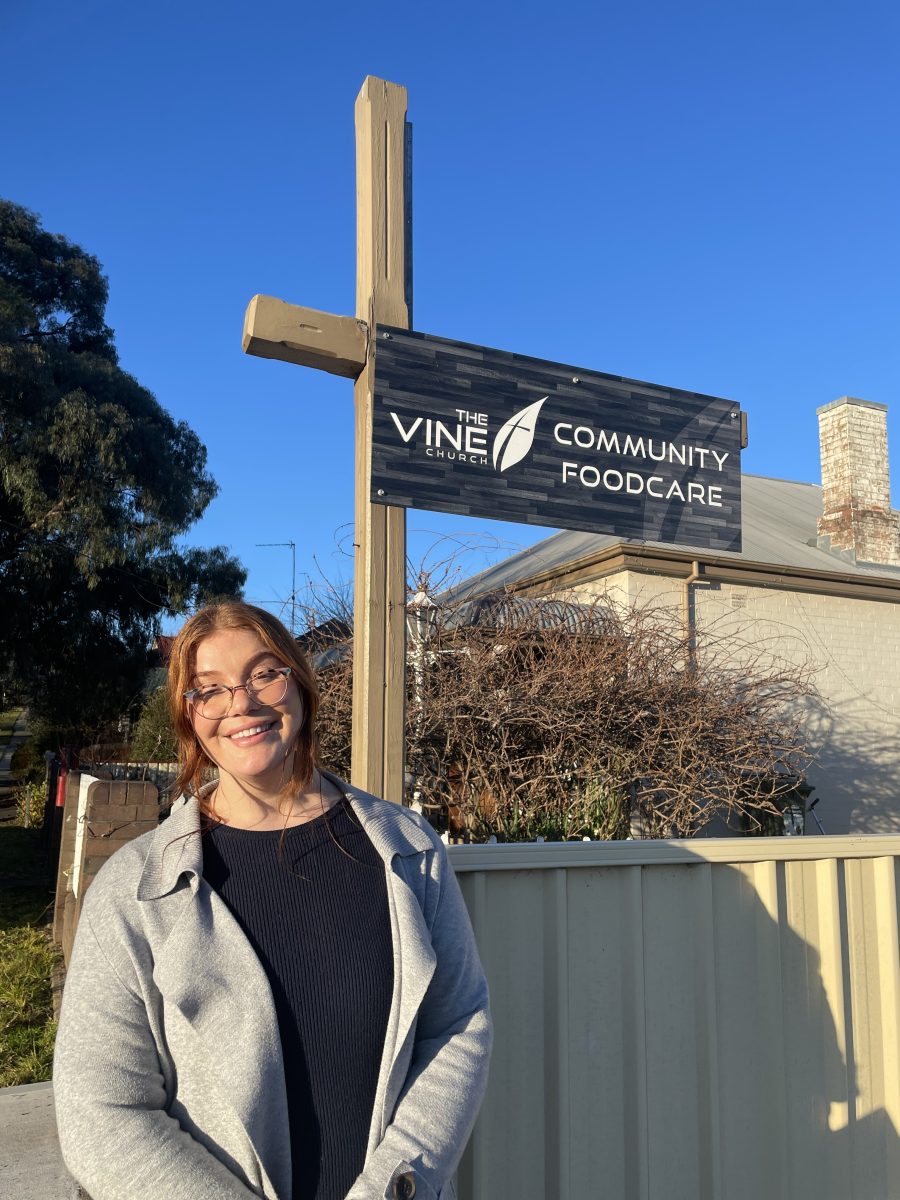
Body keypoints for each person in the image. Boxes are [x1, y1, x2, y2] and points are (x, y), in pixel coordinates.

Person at [53, 601, 492, 1200]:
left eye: (264, 673)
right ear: (190, 718)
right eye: (209, 690)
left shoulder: (408, 851)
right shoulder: (136, 890)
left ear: (300, 684)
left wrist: (393, 1185)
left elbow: (458, 1023)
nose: (241, 703)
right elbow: (101, 1110)